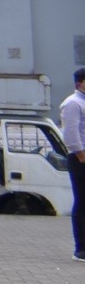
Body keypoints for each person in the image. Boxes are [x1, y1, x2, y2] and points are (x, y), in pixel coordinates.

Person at [62, 67, 85, 261]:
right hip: (80, 158)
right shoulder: (73, 103)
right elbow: (70, 133)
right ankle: (81, 248)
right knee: (82, 201)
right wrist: (81, 155)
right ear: (80, 83)